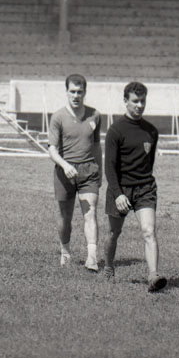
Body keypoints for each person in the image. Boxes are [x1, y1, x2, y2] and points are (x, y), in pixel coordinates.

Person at [103, 81, 166, 293]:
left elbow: (149, 163)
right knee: (114, 232)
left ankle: (153, 276)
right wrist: (118, 194)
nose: (139, 105)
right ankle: (108, 267)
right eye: (135, 101)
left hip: (145, 188)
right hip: (120, 189)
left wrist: (144, 183)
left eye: (143, 101)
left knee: (149, 231)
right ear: (125, 101)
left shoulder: (151, 131)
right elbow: (109, 167)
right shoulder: (115, 130)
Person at [48, 74, 102, 271]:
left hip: (88, 171)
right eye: (72, 91)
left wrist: (100, 171)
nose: (76, 95)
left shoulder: (95, 115)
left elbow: (96, 146)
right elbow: (52, 150)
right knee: (65, 217)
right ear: (66, 92)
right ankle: (65, 252)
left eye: (80, 92)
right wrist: (65, 166)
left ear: (85, 92)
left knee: (90, 211)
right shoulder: (58, 117)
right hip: (65, 172)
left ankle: (92, 257)